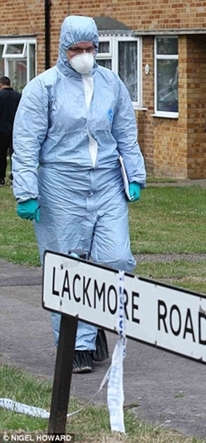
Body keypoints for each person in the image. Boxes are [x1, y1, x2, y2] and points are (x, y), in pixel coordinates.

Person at [12, 15, 146, 373]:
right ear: (63, 49)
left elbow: (125, 133)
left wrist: (135, 175)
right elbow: (26, 142)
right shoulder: (44, 88)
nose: (84, 55)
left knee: (116, 258)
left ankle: (94, 321)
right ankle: (76, 344)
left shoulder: (111, 83)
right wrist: (26, 190)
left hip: (106, 182)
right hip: (60, 183)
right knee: (67, 266)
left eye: (90, 48)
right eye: (77, 49)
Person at [0, 76, 21, 186]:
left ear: (1, 84)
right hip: (16, 129)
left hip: (1, 130)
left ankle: (1, 178)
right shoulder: (18, 96)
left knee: (1, 154)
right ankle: (14, 177)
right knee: (15, 154)